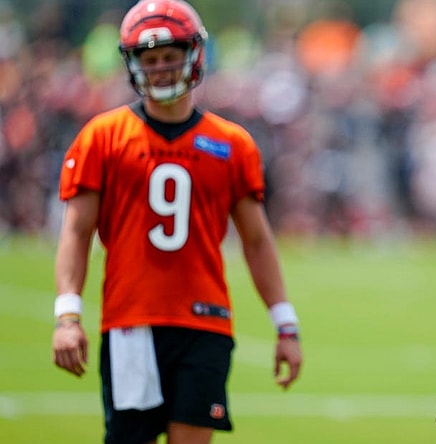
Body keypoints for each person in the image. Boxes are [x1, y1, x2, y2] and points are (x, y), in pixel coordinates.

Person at [51, 1, 303, 443]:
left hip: (205, 322)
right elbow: (76, 231)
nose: (162, 68)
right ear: (133, 64)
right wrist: (68, 315)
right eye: (150, 59)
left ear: (193, 56)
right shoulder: (103, 136)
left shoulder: (231, 143)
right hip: (131, 321)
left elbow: (257, 241)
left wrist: (285, 324)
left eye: (170, 56)